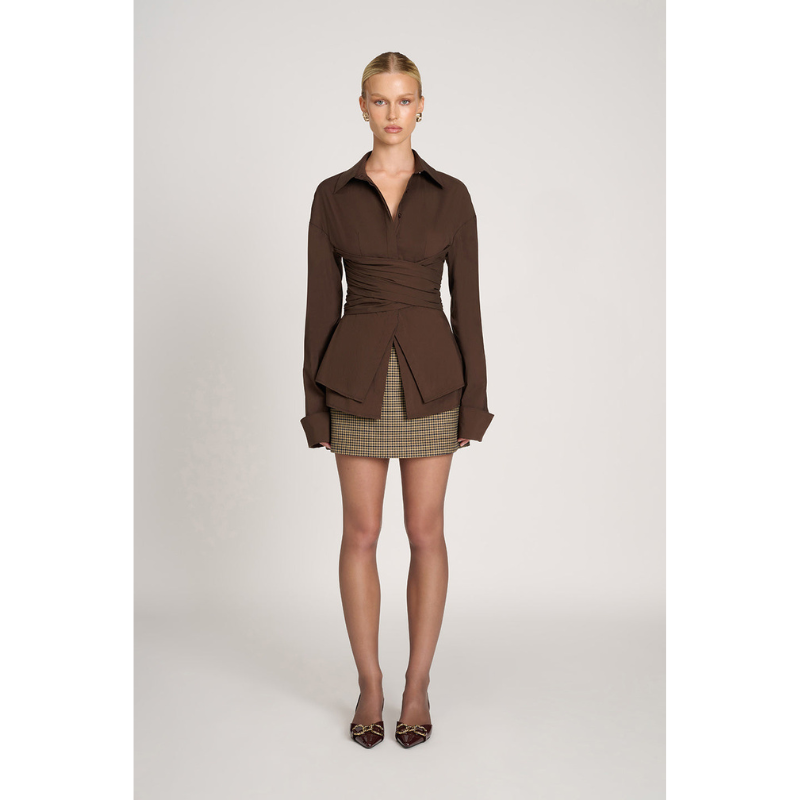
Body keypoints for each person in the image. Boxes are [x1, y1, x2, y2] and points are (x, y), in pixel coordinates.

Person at [300, 52, 494, 748]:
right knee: (360, 533)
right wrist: (314, 406)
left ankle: (416, 686)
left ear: (421, 106)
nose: (392, 113)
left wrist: (475, 403)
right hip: (352, 378)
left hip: (433, 380)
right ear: (362, 107)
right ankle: (370, 685)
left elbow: (467, 305)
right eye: (379, 101)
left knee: (425, 532)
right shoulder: (332, 195)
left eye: (403, 100)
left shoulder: (452, 195)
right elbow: (319, 307)